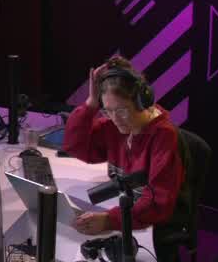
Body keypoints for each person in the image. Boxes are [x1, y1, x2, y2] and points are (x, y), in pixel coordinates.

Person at [62, 55, 184, 235]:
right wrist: (91, 103)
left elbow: (158, 203)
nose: (115, 118)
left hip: (151, 226)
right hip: (125, 208)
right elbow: (76, 147)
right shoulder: (113, 126)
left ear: (142, 102)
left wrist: (109, 220)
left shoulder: (163, 137)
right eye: (108, 111)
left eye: (122, 110)